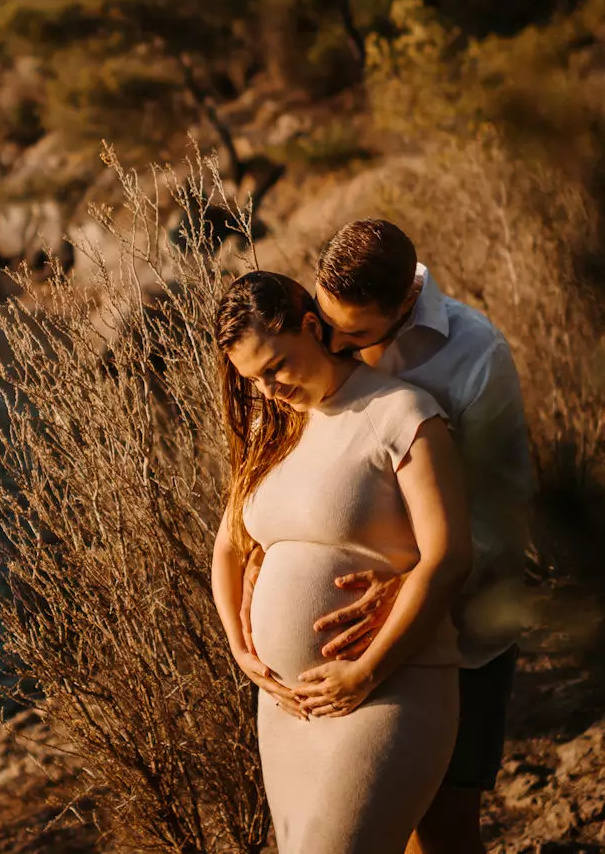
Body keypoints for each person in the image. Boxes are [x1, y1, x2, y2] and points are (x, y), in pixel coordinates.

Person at [244, 220, 536, 854]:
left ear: (405, 303)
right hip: (322, 679)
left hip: (457, 636)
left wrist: (414, 578)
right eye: (326, 324)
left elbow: (507, 512)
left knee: (442, 833)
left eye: (358, 334)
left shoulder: (475, 356)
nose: (338, 345)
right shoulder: (306, 340)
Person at [211, 270, 474, 854]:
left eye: (276, 366)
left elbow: (449, 556)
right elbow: (229, 547)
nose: (269, 388)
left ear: (310, 327)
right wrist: (240, 649)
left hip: (390, 689)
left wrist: (366, 671)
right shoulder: (269, 428)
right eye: (254, 379)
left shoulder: (403, 413)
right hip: (286, 707)